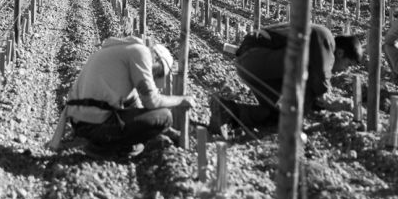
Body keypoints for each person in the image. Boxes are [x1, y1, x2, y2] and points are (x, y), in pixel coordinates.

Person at [46, 35, 194, 160]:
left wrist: (169, 133)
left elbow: (136, 108)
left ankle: (101, 144)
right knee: (165, 115)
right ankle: (107, 148)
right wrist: (181, 100)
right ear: (157, 63)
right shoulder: (141, 53)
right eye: (157, 74)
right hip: (98, 126)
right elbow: (152, 101)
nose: (153, 77)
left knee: (147, 116)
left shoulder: (118, 53)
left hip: (80, 124)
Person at [209, 23, 362, 135]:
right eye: (348, 65)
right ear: (340, 53)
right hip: (257, 56)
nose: (345, 71)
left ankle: (226, 111)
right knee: (309, 75)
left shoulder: (318, 49)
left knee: (279, 116)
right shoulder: (326, 39)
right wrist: (341, 105)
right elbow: (321, 81)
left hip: (252, 65)